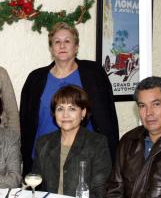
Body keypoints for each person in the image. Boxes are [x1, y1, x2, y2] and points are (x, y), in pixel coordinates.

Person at [20, 22, 119, 177]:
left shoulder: (94, 73)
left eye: (67, 41)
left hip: (86, 157)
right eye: (57, 42)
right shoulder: (35, 79)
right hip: (44, 158)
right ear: (51, 48)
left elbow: (108, 116)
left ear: (76, 47)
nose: (62, 46)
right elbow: (25, 122)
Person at [33, 86, 111, 198]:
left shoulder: (97, 143)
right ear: (54, 113)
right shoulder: (43, 143)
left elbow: (100, 192)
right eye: (60, 109)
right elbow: (36, 186)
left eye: (72, 109)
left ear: (83, 112)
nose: (65, 115)